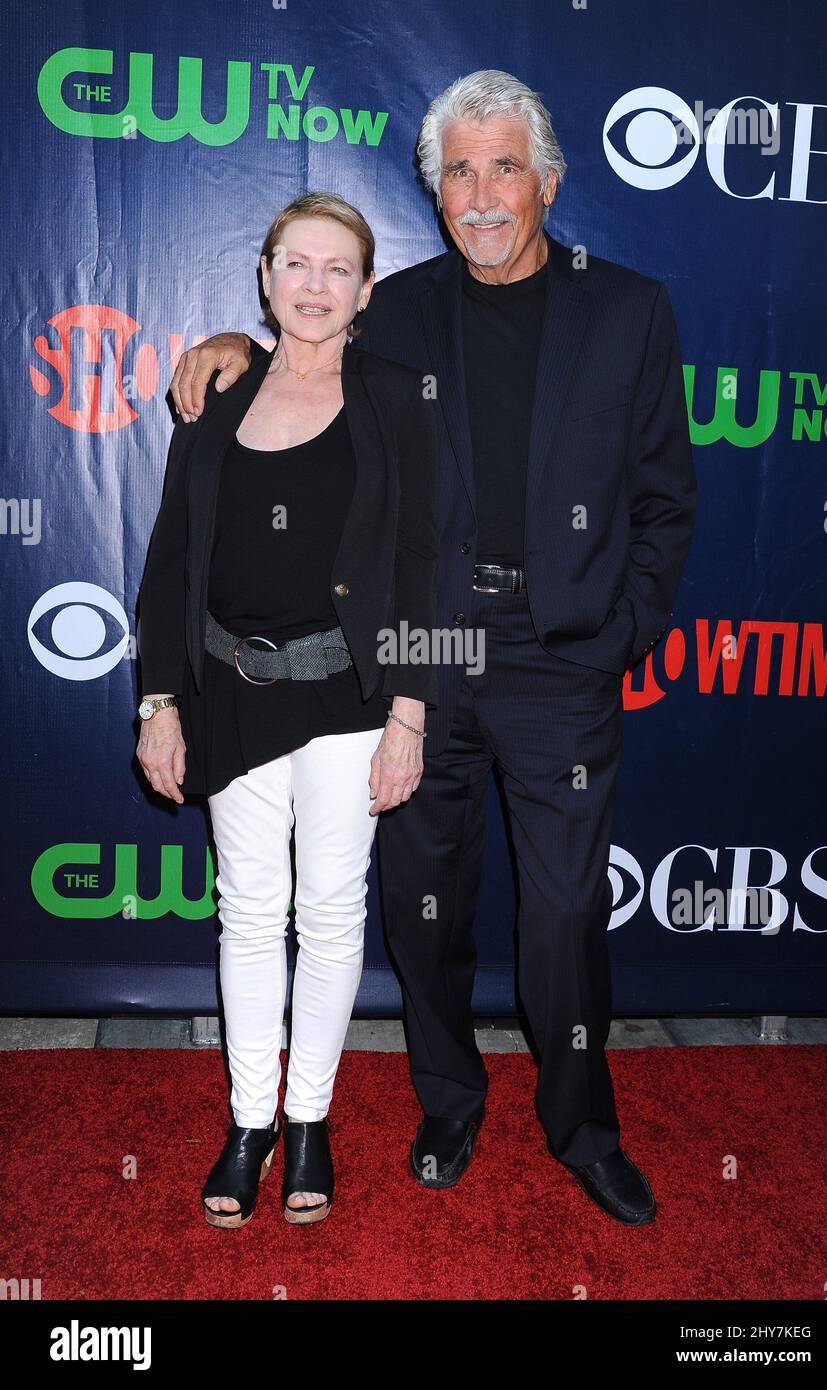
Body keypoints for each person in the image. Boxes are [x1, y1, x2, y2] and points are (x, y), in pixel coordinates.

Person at [168, 71, 697, 1226]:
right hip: (421, 644)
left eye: (504, 166)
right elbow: (296, 350)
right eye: (458, 170)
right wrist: (222, 345)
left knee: (561, 911)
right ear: (436, 190)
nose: (483, 193)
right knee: (421, 898)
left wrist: (624, 630)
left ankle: (582, 1125)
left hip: (562, 651)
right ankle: (448, 1102)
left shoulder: (630, 310)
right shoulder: (397, 308)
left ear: (548, 180)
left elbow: (666, 500)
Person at [136, 192, 438, 1228]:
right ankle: (248, 1124)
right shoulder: (215, 393)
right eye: (295, 264)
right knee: (250, 912)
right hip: (230, 690)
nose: (314, 285)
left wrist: (411, 712)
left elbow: (425, 564)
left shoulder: (398, 397)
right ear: (264, 277)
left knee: (331, 912)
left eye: (338, 269)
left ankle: (309, 1120)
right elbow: (172, 557)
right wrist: (159, 698)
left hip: (353, 699)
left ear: (364, 290)